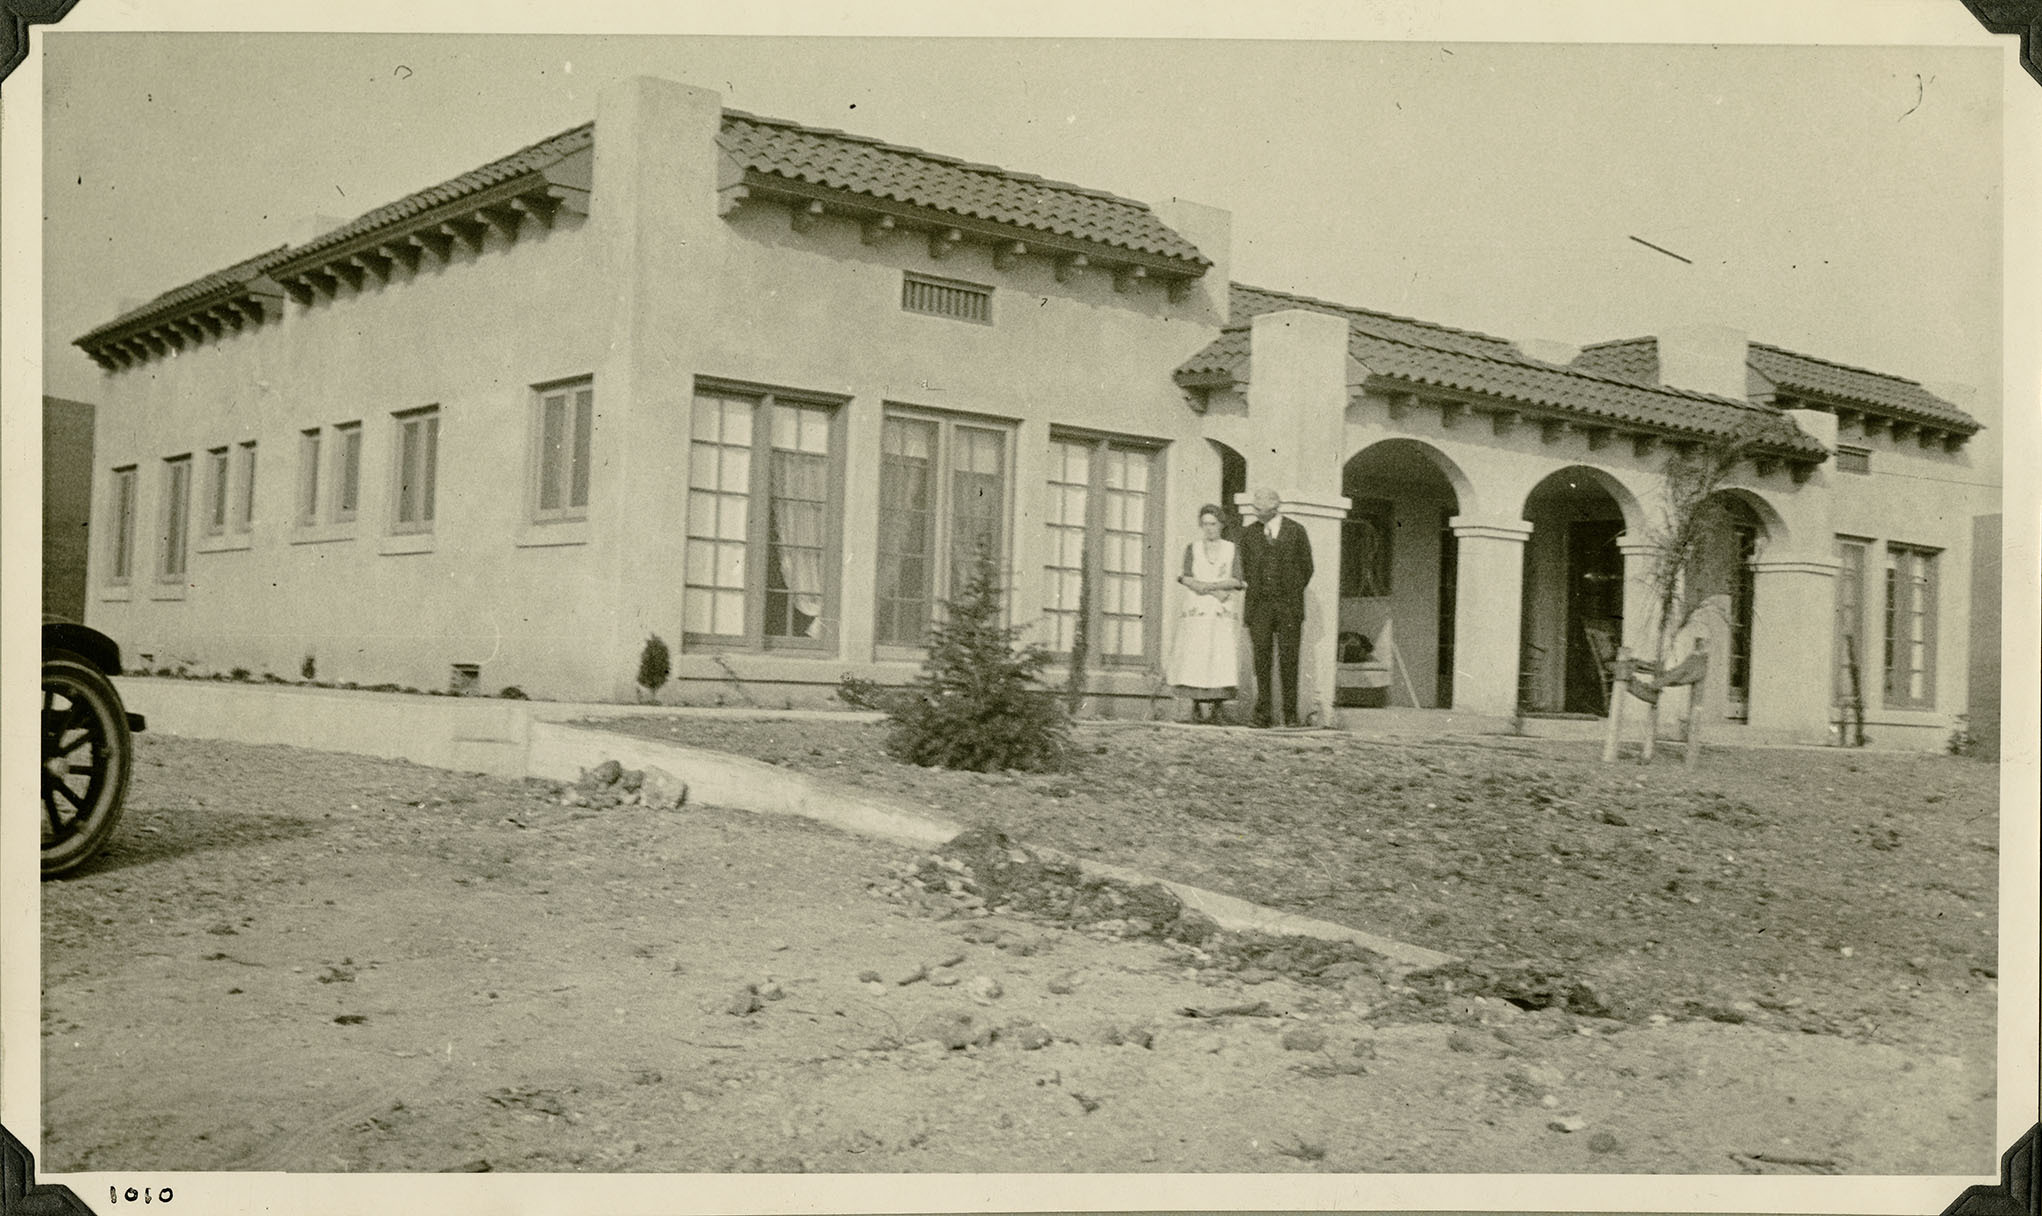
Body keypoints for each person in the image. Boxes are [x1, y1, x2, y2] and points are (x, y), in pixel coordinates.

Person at [1238, 488, 1314, 728]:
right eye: (1254, 509)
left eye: (1259, 509)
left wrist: (1289, 591)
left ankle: (1290, 715)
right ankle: (1263, 714)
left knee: (1289, 659)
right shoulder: (1248, 534)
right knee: (1261, 660)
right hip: (1259, 606)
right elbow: (1246, 567)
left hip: (1288, 606)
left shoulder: (1296, 531)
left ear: (1274, 508)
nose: (1256, 513)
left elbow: (1307, 567)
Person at [1168, 504, 1244, 723]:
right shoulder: (1193, 548)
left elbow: (1237, 578)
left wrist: (1210, 588)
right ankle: (1195, 707)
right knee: (1196, 653)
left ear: (1221, 524)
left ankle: (1218, 708)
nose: (1209, 529)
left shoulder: (1231, 549)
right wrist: (1209, 589)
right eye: (1205, 524)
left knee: (1220, 653)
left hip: (1222, 608)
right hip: (1198, 607)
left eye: (1213, 524)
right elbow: (1187, 576)